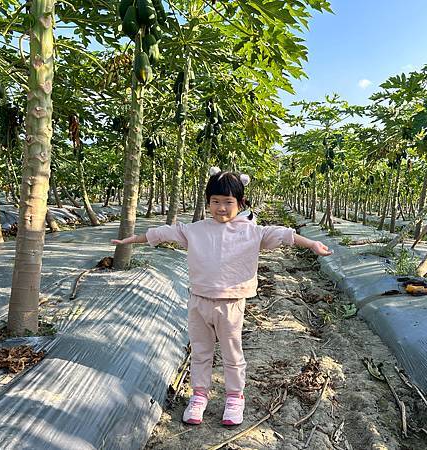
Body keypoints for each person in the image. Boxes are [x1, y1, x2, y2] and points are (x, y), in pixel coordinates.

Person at [111, 167, 332, 426]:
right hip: (199, 302)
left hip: (232, 304)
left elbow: (285, 234)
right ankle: (199, 396)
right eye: (215, 202)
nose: (221, 208)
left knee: (232, 353)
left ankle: (235, 398)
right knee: (201, 352)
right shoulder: (195, 230)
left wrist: (313, 244)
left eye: (228, 202)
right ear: (207, 203)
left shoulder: (253, 231)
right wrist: (131, 240)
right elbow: (162, 233)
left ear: (241, 203)